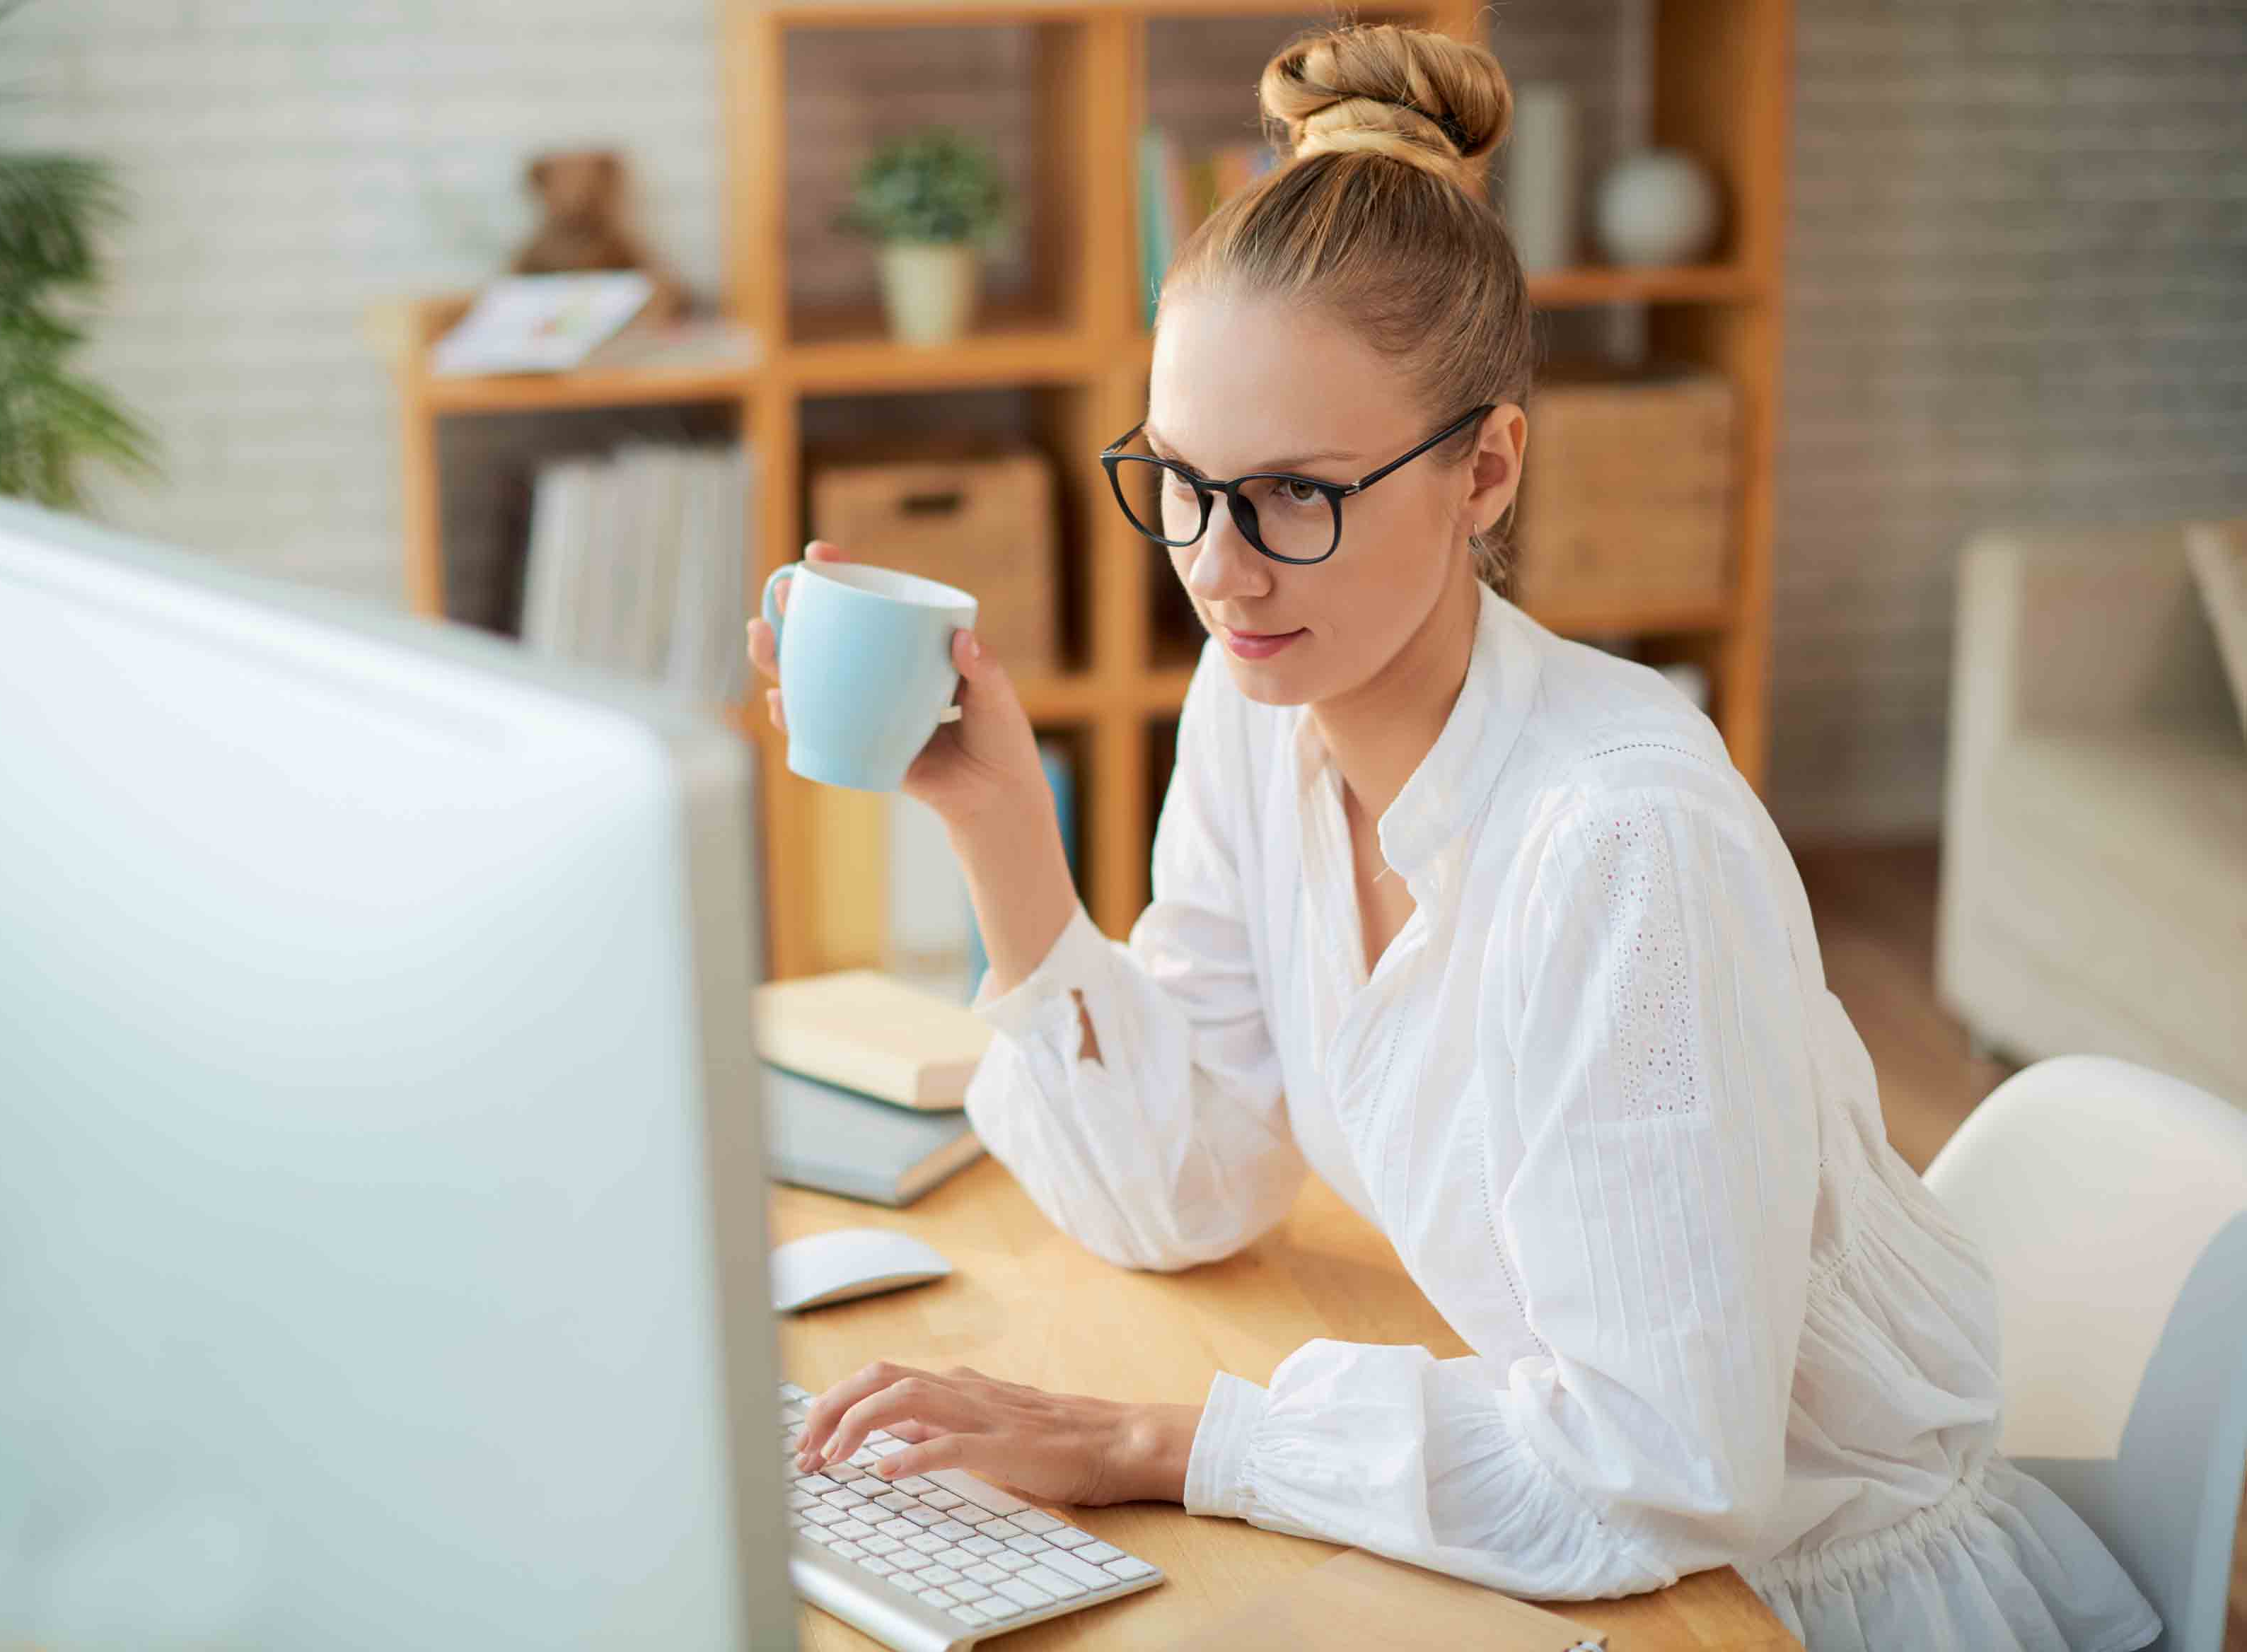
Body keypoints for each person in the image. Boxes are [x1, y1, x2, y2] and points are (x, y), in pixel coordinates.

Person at [747, 23, 2161, 1651]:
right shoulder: (1256, 710)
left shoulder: (1622, 843)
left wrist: (1160, 1443)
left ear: (1486, 467)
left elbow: (1667, 1462)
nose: (1217, 568)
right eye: (1183, 482)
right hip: (1587, 1546)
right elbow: (1188, 1190)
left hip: (1791, 1600)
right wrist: (998, 822)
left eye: (1297, 494)